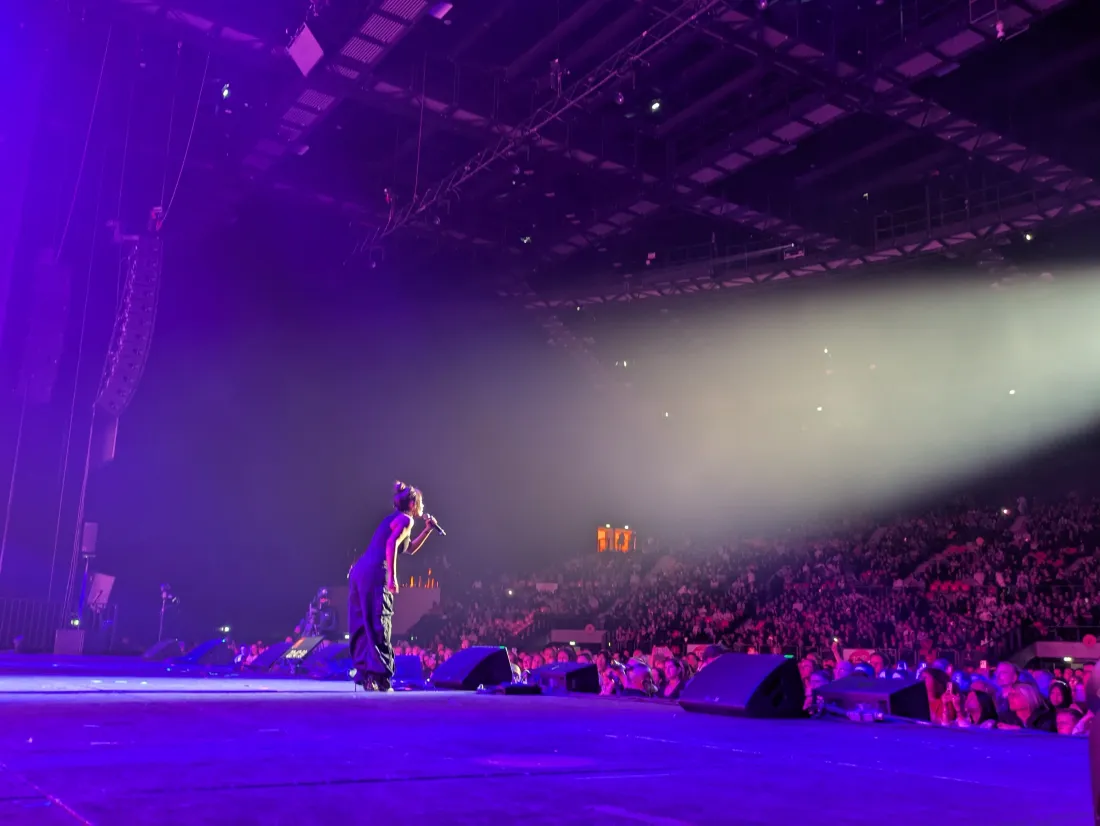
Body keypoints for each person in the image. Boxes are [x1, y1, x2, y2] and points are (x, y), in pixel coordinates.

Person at [348, 481, 437, 691]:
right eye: (421, 503)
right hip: (376, 571)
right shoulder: (406, 519)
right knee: (380, 620)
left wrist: (428, 530)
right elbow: (391, 545)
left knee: (363, 622)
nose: (423, 507)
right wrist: (393, 578)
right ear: (414, 504)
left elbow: (409, 548)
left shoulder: (394, 518)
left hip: (360, 570)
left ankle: (366, 673)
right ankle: (379, 677)